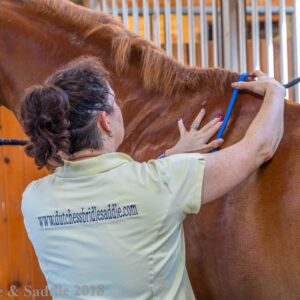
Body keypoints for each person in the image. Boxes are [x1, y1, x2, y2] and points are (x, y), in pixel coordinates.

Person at [20, 56, 285, 300]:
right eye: (116, 103)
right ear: (105, 122)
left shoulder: (33, 200)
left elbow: (109, 202)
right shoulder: (164, 182)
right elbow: (260, 148)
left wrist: (170, 156)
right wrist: (275, 92)